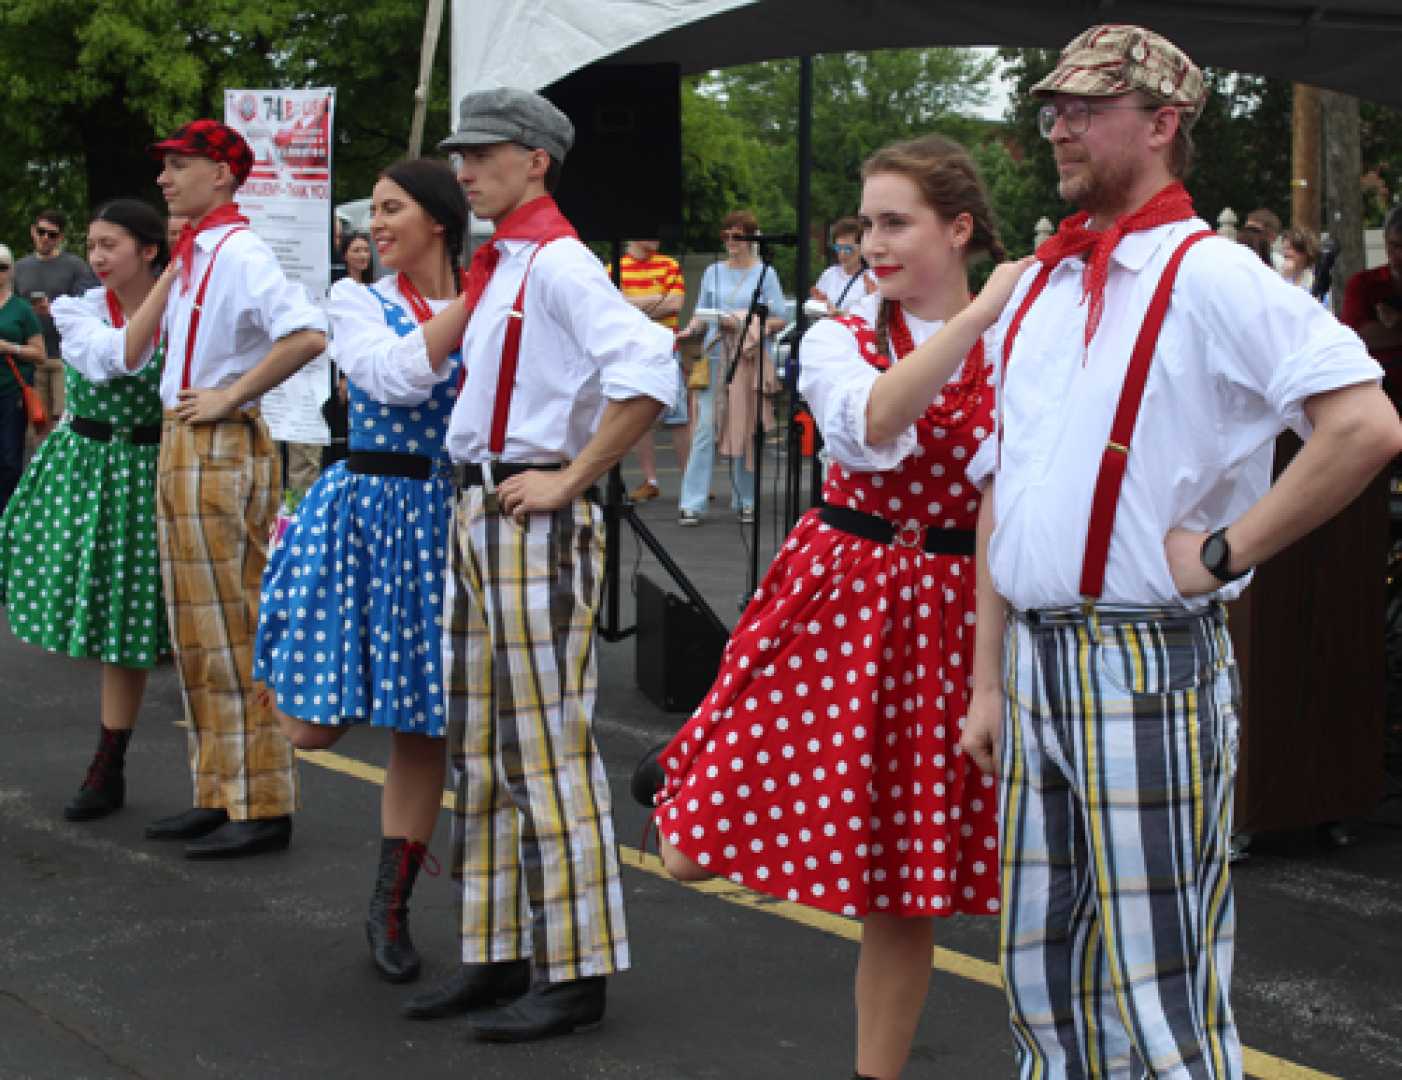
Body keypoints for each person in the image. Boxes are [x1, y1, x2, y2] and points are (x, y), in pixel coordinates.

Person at [959, 25, 1402, 1080]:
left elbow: (1364, 426)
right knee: (1040, 980)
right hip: (1035, 660)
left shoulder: (1214, 275)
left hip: (1140, 655)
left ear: (1161, 126)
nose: (1057, 124)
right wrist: (986, 677)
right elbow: (1002, 489)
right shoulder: (1039, 286)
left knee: (1155, 994)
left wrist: (1221, 551)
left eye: (1084, 107)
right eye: (1051, 107)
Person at [638, 134, 1030, 1080]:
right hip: (838, 592)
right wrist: (978, 315)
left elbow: (995, 512)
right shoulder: (840, 334)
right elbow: (879, 418)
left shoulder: (1024, 350)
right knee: (689, 849)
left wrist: (988, 680)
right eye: (865, 228)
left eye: (896, 224)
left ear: (960, 227)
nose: (873, 247)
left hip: (944, 608)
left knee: (904, 891)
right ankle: (721, 782)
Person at [399, 86, 675, 1042]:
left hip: (527, 512)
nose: (465, 168)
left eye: (482, 153)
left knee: (546, 750)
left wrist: (573, 478)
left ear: (535, 161)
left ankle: (576, 966)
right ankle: (499, 949)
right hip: (484, 507)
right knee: (480, 746)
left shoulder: (555, 261)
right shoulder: (510, 260)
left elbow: (651, 367)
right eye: (463, 154)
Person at [255, 158, 467, 985]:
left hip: (443, 520)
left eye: (391, 209)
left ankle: (389, 909)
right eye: (372, 212)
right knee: (315, 728)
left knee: (423, 733)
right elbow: (394, 377)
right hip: (361, 512)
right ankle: (265, 674)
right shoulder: (357, 300)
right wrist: (480, 304)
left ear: (438, 219)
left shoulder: (487, 304)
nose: (374, 225)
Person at [110, 119, 329, 859]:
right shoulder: (204, 252)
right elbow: (133, 352)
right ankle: (222, 790)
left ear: (223, 176)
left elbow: (306, 334)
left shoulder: (241, 252)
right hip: (189, 442)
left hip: (215, 445)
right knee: (197, 631)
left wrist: (231, 395)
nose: (166, 179)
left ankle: (262, 801)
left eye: (181, 165)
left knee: (233, 628)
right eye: (166, 166)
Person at [0, 199, 170, 821]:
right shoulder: (79, 310)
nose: (95, 258)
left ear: (147, 250)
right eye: (92, 245)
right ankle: (109, 763)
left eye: (110, 245)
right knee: (108, 621)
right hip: (88, 466)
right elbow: (119, 356)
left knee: (138, 629)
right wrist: (174, 284)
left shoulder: (186, 313)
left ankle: (117, 764)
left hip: (154, 470)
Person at [676, 210, 786, 526]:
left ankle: (745, 500)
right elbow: (700, 313)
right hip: (715, 354)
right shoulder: (712, 271)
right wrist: (691, 330)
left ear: (752, 238)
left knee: (744, 428)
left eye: (737, 236)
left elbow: (780, 317)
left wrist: (744, 321)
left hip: (747, 357)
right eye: (726, 236)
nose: (730, 242)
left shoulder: (766, 273)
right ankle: (692, 503)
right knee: (704, 428)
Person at [610, 239, 689, 502]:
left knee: (678, 417)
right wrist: (657, 300)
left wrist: (632, 303)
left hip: (666, 348)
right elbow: (613, 308)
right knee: (639, 418)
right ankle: (650, 480)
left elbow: (676, 304)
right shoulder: (615, 268)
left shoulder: (669, 264)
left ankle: (691, 483)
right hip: (633, 351)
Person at [15, 209, 99, 426]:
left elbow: (87, 307)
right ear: (33, 232)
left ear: (60, 238)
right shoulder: (19, 268)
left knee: (64, 420)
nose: (45, 238)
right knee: (36, 421)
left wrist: (53, 309)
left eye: (52, 234)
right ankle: (39, 461)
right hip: (31, 357)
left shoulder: (75, 266)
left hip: (65, 356)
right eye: (41, 232)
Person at [1341, 205, 1402, 403]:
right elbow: (1355, 338)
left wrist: (1396, 325)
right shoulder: (1364, 284)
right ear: (1385, 242)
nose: (1399, 255)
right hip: (1376, 395)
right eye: (1395, 246)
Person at [0, 244, 45, 509]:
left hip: (11, 392)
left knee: (8, 456)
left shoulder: (21, 309)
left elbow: (40, 353)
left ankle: (9, 513)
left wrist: (9, 348)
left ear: (11, 271)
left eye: (2, 267)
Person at [811, 216, 875, 315]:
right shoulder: (829, 274)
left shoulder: (871, 278)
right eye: (838, 248)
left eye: (848, 248)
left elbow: (873, 315)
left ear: (861, 247)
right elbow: (815, 311)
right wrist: (820, 305)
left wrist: (839, 313)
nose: (842, 253)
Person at [1242, 206, 1284, 271]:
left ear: (1272, 237)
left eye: (1254, 231)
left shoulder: (1279, 264)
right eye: (1246, 230)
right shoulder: (1235, 257)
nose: (1247, 235)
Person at [1281, 224, 1320, 292]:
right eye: (1284, 248)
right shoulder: (1279, 275)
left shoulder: (1313, 282)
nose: (1285, 253)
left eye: (1289, 248)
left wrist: (1287, 279)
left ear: (1304, 252)